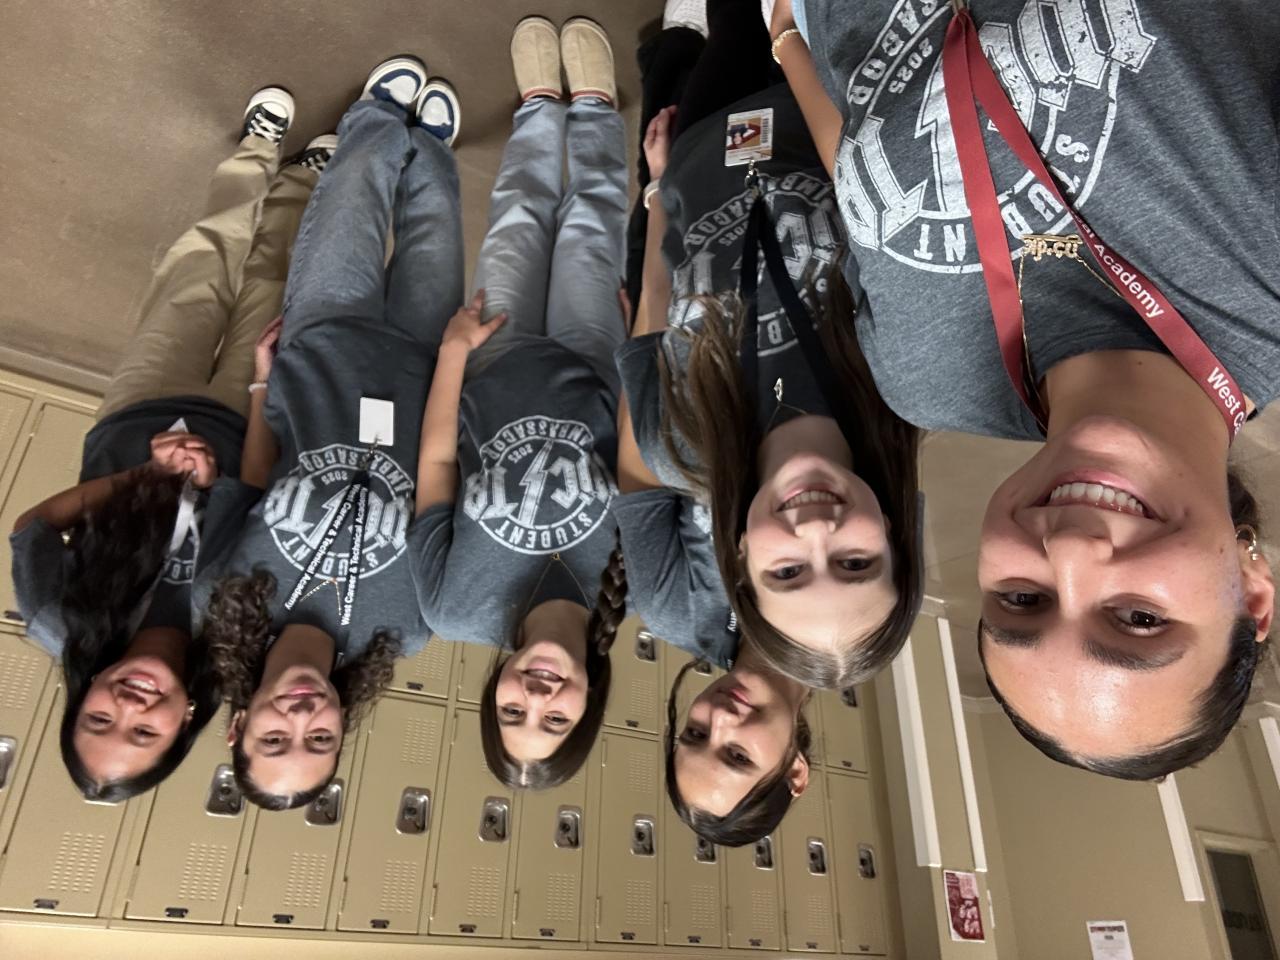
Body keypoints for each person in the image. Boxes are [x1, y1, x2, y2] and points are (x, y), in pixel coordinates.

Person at [773, 0, 1277, 778]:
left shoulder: (922, 381)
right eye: (1139, 618)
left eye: (1022, 601)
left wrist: (788, 39)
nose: (1069, 551)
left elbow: (862, 165)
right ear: (1252, 593)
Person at [616, 0, 922, 843]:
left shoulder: (679, 443)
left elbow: (651, 318)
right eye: (854, 560)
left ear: (745, 570)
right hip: (817, 98)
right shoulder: (901, 391)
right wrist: (794, 48)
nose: (816, 529)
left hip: (706, 146)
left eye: (694, 736)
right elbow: (880, 211)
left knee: (727, 20)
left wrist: (657, 194)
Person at [7, 87, 332, 801]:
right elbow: (259, 513)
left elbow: (33, 528)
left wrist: (147, 479)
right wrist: (264, 391)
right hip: (243, 422)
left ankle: (255, 154)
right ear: (183, 723)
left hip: (138, 417)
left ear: (82, 699)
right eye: (144, 732)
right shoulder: (234, 650)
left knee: (199, 272)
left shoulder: (60, 622)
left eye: (100, 718)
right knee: (270, 294)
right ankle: (301, 183)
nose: (129, 707)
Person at [196, 57, 465, 809]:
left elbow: (253, 480)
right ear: (343, 730)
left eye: (274, 738)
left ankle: (378, 118)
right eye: (320, 741)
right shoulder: (402, 630)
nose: (303, 719)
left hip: (319, 361)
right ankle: (431, 147)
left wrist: (260, 384)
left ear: (239, 725)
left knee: (349, 202)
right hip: (420, 374)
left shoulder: (225, 600)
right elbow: (438, 493)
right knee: (435, 231)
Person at [407, 16, 627, 791]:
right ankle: (594, 109)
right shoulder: (629, 588)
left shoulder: (453, 608)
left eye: (511, 713)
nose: (536, 698)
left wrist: (453, 353)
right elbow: (640, 460)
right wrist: (639, 351)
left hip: (491, 359)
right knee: (593, 227)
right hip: (593, 359)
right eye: (555, 721)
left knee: (518, 220)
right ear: (590, 705)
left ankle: (538, 107)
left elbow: (436, 467)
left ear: (491, 693)